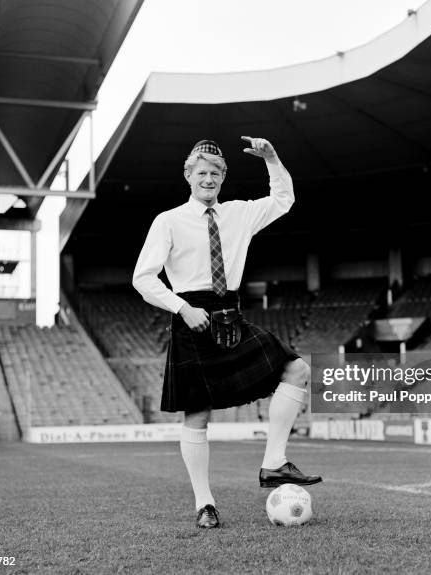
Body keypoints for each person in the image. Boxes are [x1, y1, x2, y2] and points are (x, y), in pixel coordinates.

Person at [133, 137, 321, 529]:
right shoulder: (167, 221)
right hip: (191, 316)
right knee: (197, 414)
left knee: (297, 369)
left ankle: (273, 463)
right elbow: (143, 278)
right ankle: (205, 503)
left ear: (223, 178)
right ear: (188, 175)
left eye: (215, 173)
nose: (208, 179)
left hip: (231, 314)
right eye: (201, 172)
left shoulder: (239, 213)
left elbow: (283, 198)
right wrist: (182, 309)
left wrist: (271, 157)